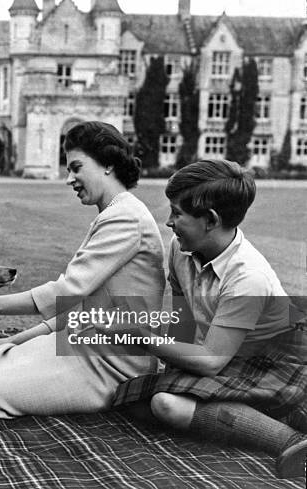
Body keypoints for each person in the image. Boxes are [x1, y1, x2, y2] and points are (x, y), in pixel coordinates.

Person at [0, 121, 166, 418]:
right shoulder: (114, 213)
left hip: (114, 363)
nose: (69, 179)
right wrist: (16, 339)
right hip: (84, 345)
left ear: (108, 165)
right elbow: (81, 307)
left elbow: (67, 292)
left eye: (76, 168)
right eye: (68, 170)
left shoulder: (125, 218)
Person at [111, 159, 307, 478]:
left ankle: (292, 441)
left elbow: (211, 361)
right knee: (129, 398)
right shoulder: (180, 248)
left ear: (210, 220)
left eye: (177, 213)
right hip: (231, 357)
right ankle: (256, 417)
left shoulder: (248, 277)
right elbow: (183, 317)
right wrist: (175, 365)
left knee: (165, 405)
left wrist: (141, 337)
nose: (168, 222)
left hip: (281, 363)